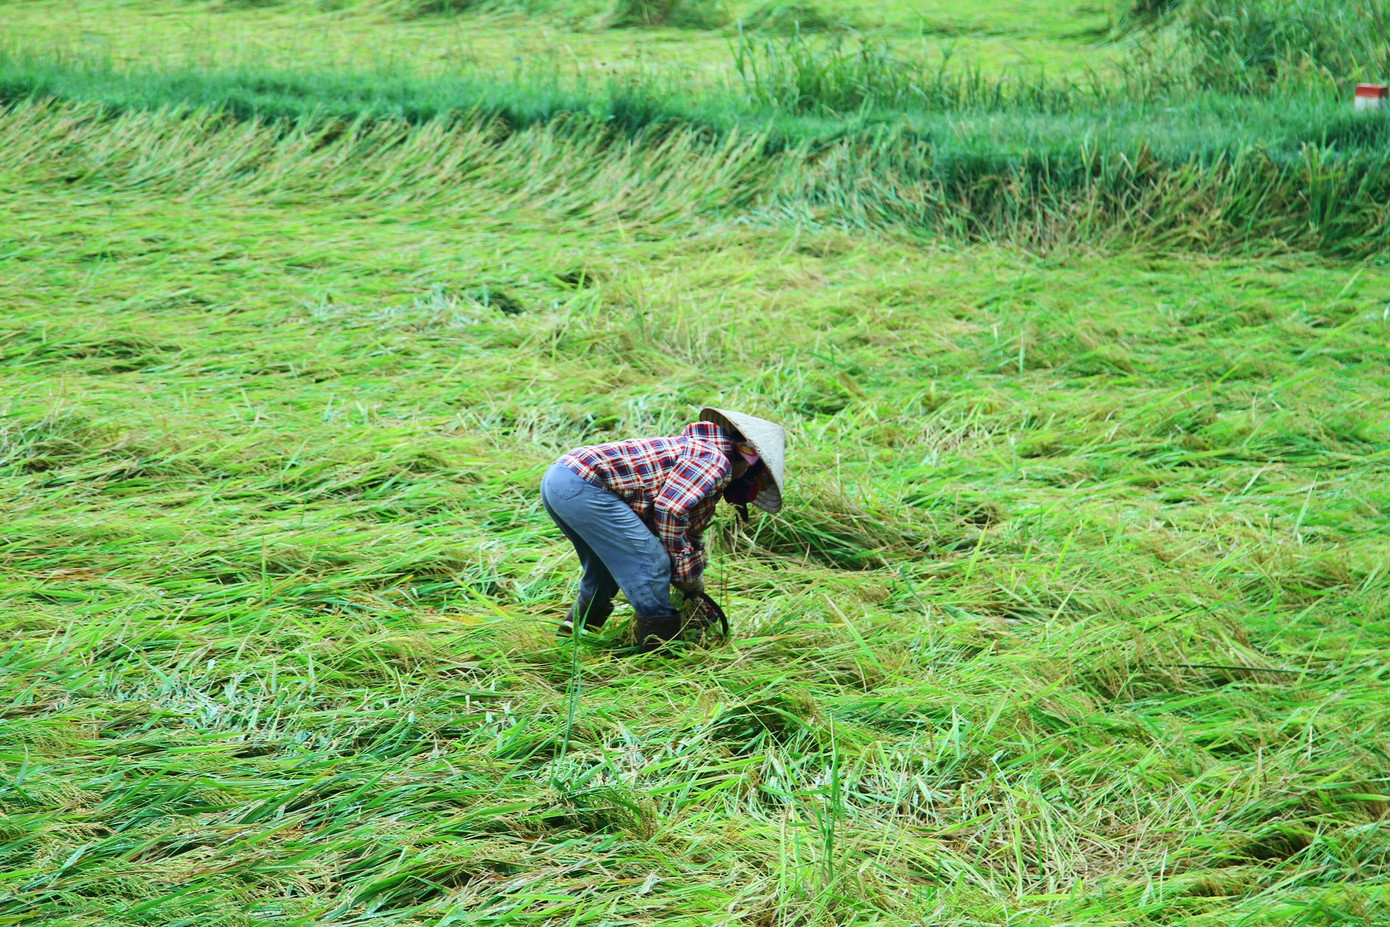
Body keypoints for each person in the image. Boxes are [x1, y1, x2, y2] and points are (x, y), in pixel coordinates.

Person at [540, 407, 786, 651]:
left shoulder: (699, 453)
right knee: (652, 563)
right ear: (746, 461)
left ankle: (569, 642)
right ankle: (659, 653)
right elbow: (670, 510)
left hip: (562, 479)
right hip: (586, 485)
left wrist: (692, 578)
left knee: (604, 571)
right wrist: (682, 572)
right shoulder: (714, 459)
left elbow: (689, 530)